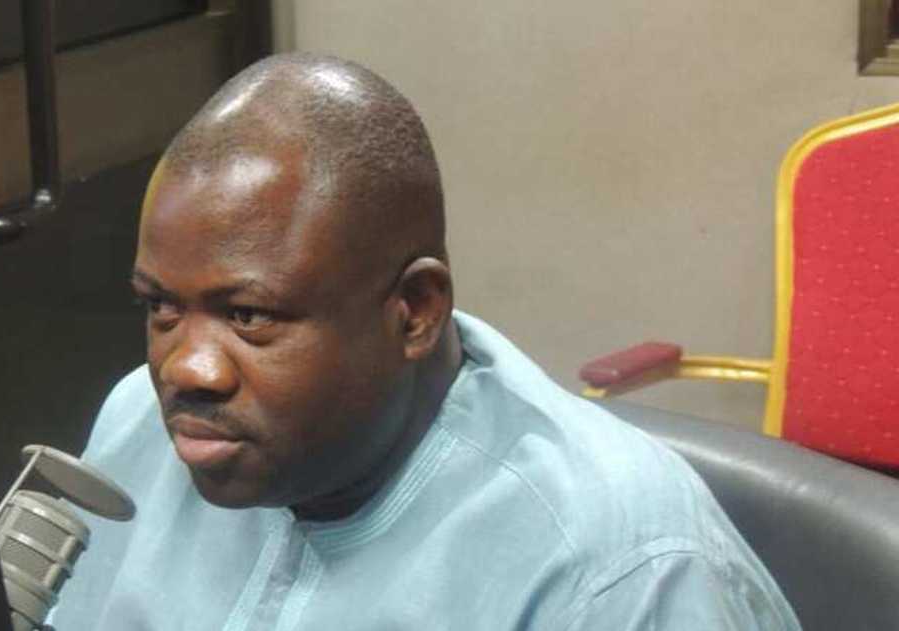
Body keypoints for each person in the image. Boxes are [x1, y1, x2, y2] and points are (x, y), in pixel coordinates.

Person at [49, 53, 800, 630]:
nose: (187, 367)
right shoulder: (136, 427)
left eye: (249, 316)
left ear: (414, 310)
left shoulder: (623, 573)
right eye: (161, 308)